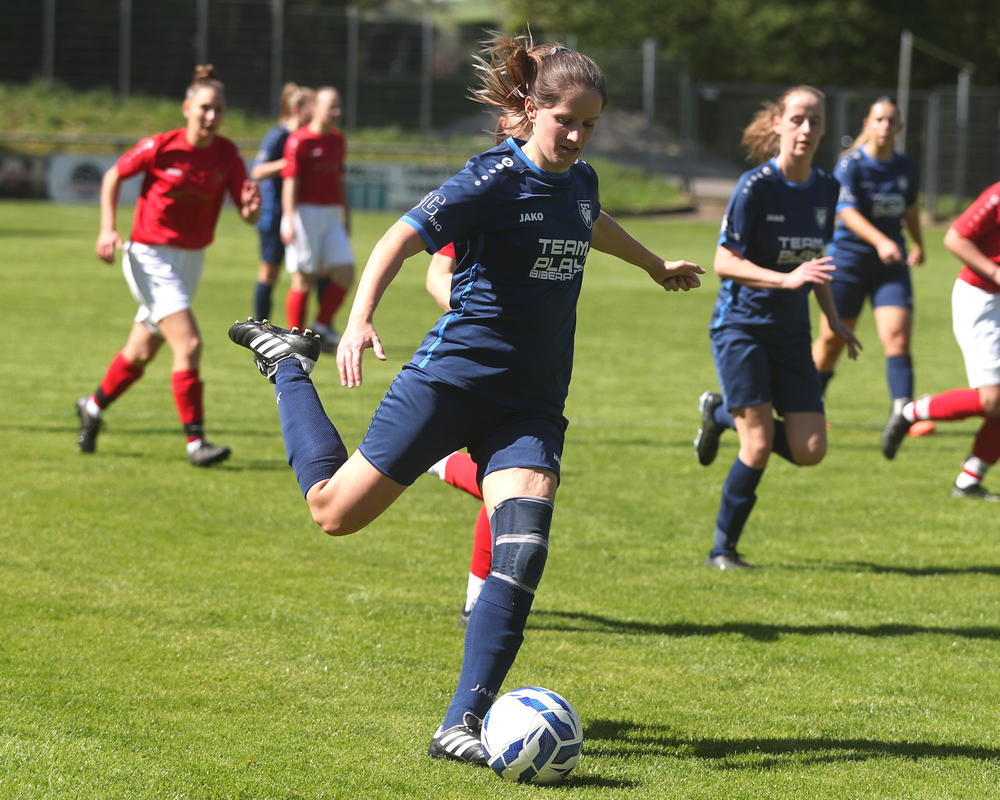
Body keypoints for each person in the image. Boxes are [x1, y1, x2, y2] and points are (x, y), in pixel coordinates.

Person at [229, 33, 702, 766]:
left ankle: (461, 722)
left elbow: (589, 219)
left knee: (523, 548)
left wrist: (652, 263)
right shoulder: (491, 178)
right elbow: (398, 239)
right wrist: (358, 318)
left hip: (532, 404)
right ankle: (290, 366)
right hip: (449, 383)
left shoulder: (580, 182)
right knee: (332, 512)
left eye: (589, 125)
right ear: (532, 109)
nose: (577, 137)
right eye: (565, 121)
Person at [693, 86, 861, 569]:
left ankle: (720, 413)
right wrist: (785, 279)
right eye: (798, 119)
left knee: (811, 449)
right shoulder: (755, 186)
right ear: (779, 124)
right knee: (760, 444)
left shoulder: (827, 189)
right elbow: (724, 261)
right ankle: (722, 550)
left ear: (824, 128)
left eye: (815, 120)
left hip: (791, 331)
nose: (806, 128)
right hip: (741, 326)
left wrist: (833, 318)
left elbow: (815, 263)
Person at [76, 64, 260, 465]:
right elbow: (112, 176)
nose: (211, 116)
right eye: (205, 107)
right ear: (187, 108)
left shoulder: (227, 155)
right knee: (189, 344)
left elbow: (247, 214)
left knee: (141, 351)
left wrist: (251, 208)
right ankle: (196, 443)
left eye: (219, 109)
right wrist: (107, 228)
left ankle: (92, 407)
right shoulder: (160, 146)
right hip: (149, 255)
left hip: (191, 260)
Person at [811, 97, 932, 437]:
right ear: (867, 123)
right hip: (848, 264)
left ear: (899, 127)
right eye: (879, 119)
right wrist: (881, 241)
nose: (885, 126)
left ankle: (903, 414)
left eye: (891, 121)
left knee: (897, 338)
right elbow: (847, 212)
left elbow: (910, 209)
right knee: (831, 342)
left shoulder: (905, 166)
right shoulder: (850, 165)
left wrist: (918, 243)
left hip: (890, 268)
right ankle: (807, 409)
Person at [880, 181, 1000, 499]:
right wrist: (995, 272)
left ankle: (969, 481)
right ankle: (911, 412)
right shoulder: (998, 195)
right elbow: (955, 238)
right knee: (993, 400)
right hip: (984, 300)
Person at [280, 85, 353, 350]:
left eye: (338, 106)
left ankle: (321, 326)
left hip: (331, 213)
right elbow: (290, 182)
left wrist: (347, 215)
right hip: (304, 213)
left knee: (346, 273)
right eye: (331, 107)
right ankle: (295, 339)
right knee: (304, 279)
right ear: (314, 109)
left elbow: (340, 181)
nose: (337, 112)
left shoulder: (338, 139)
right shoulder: (298, 140)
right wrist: (289, 219)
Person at [251, 82, 314, 322]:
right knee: (270, 273)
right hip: (274, 212)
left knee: (310, 273)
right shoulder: (278, 135)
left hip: (302, 213)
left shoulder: (309, 137)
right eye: (311, 107)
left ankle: (313, 328)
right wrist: (289, 161)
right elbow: (258, 170)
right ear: (297, 108)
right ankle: (259, 328)